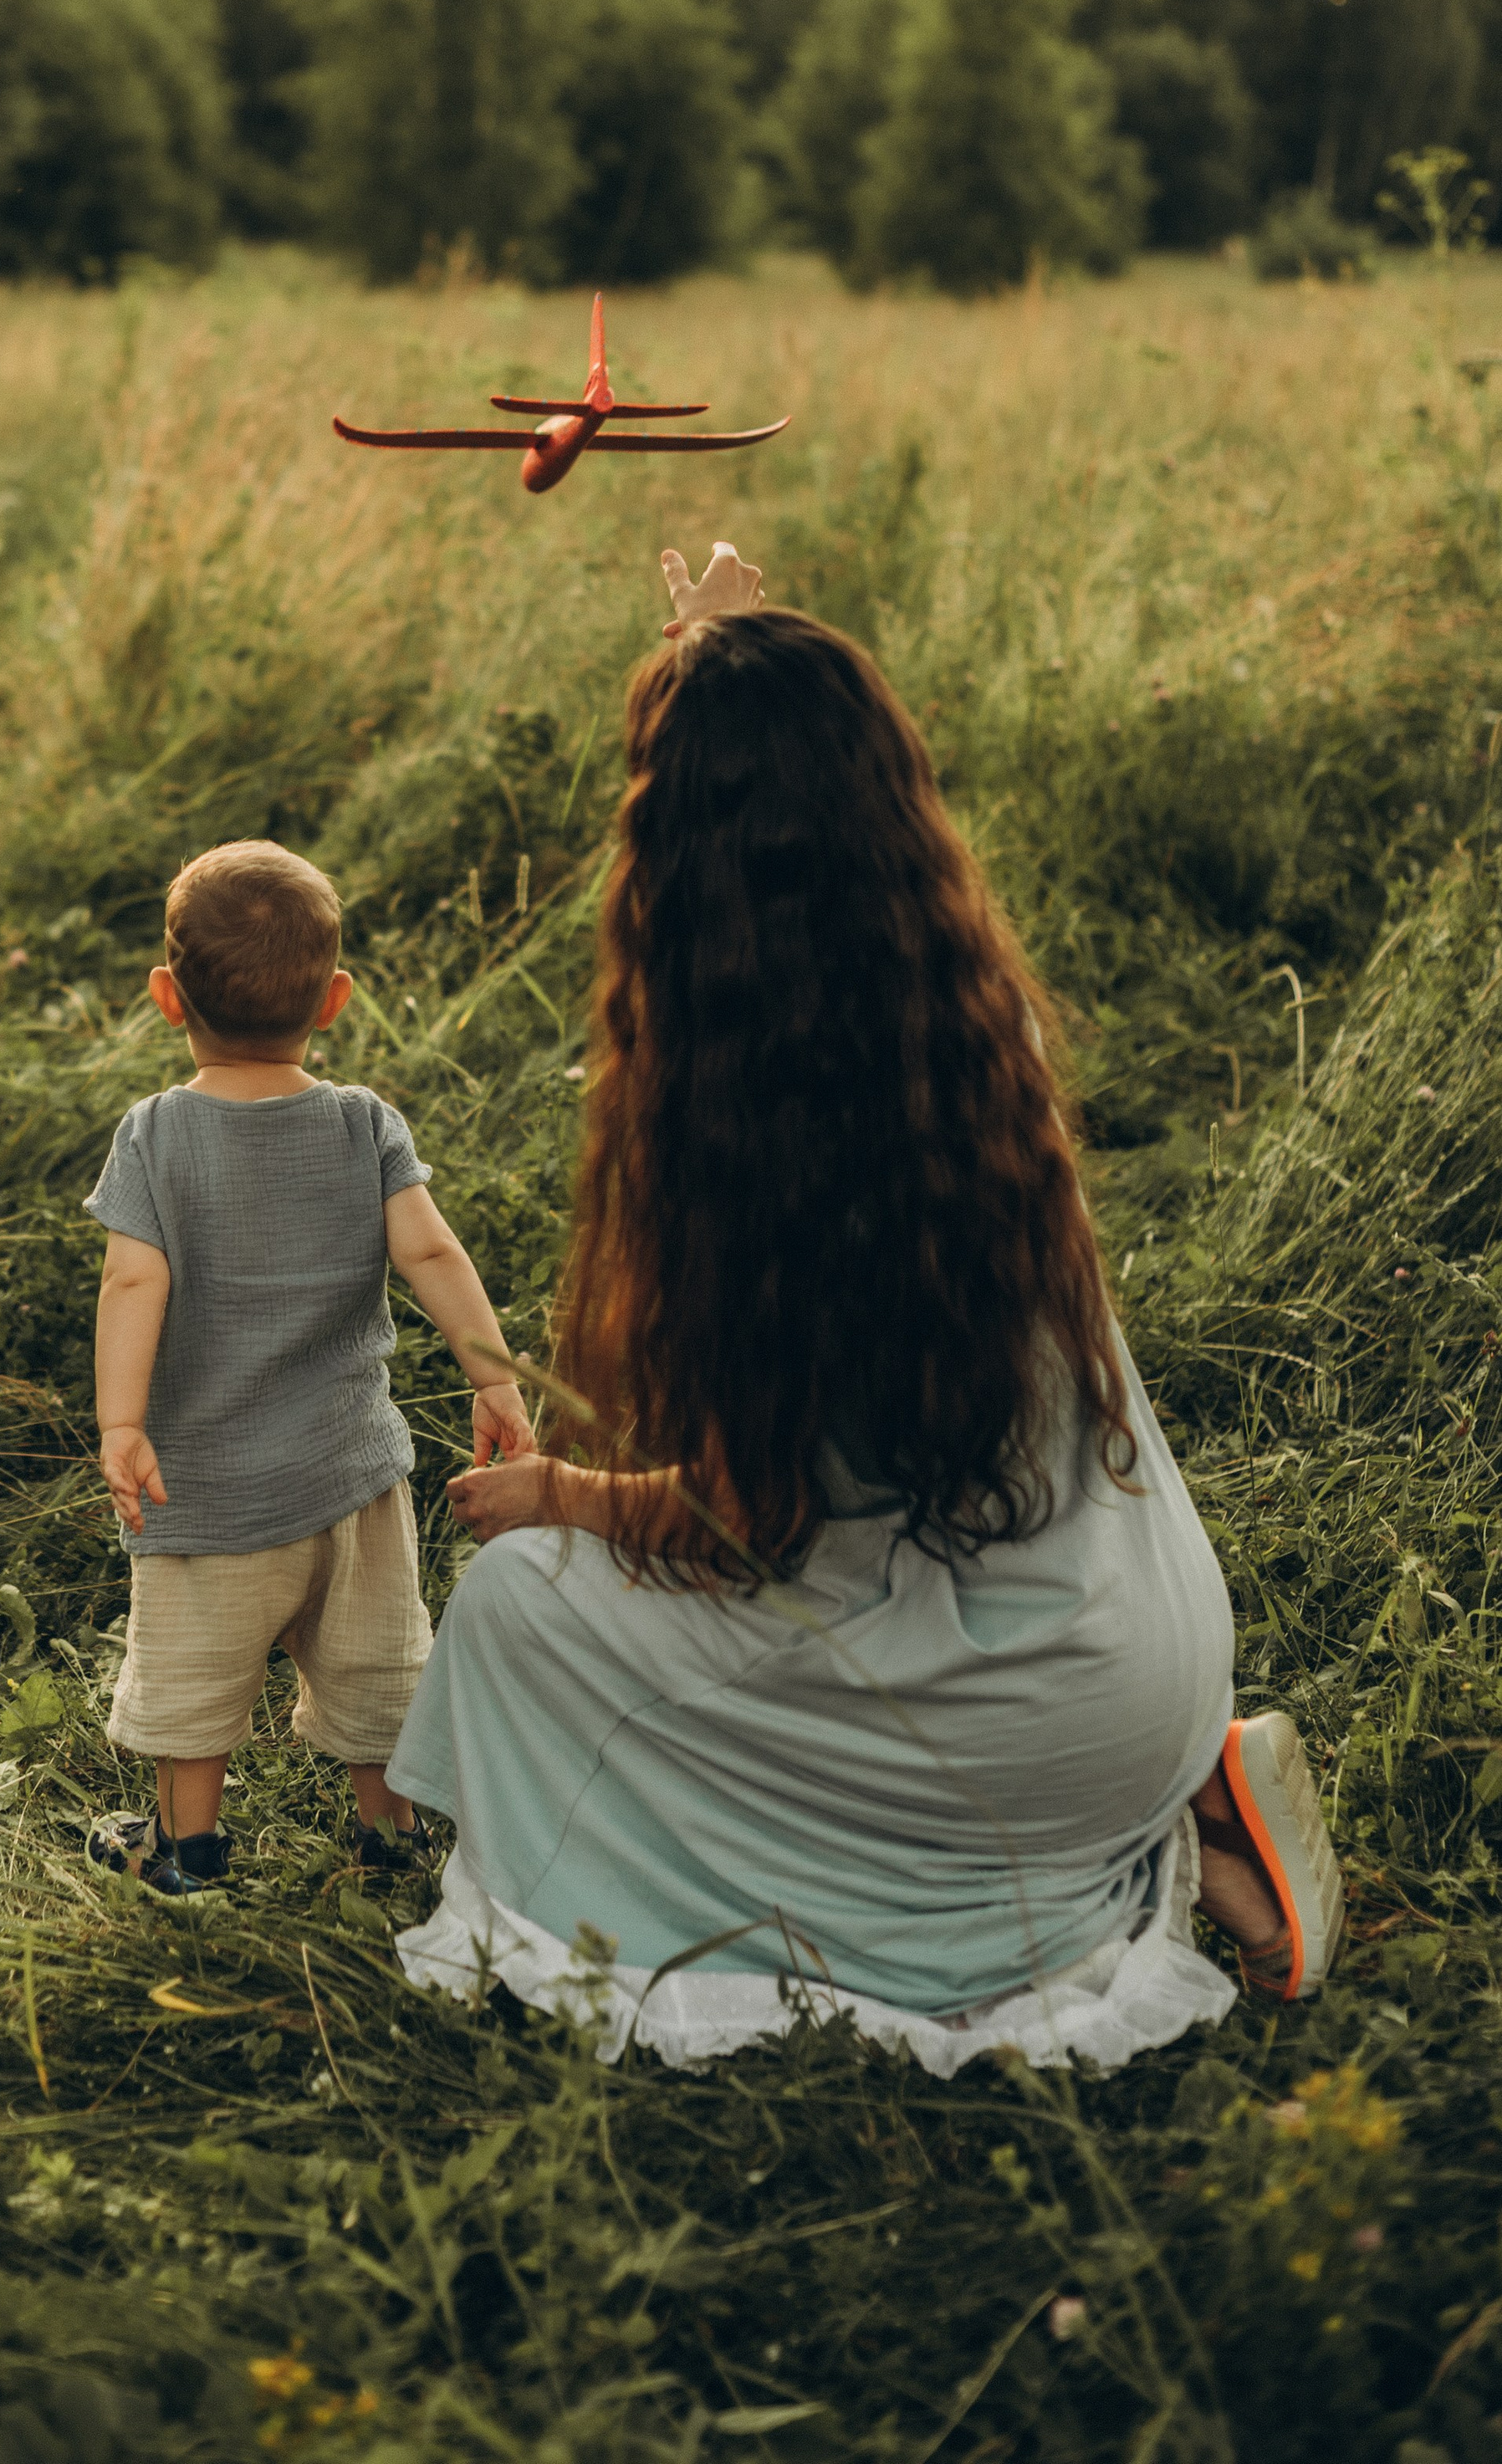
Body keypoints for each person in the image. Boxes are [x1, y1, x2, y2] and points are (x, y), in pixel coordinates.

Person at [389, 544, 1344, 2072]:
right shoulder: (981, 1033)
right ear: (894, 804)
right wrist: (735, 642)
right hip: (1143, 1650)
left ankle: (1034, 1889)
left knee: (515, 1614)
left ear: (668, 860)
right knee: (863, 1625)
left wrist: (562, 1494)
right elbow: (803, 785)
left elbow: (747, 1530)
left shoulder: (730, 1142)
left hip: (1005, 1731)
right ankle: (1171, 1831)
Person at [82, 838, 532, 1896]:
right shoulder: (362, 1122)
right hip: (350, 1479)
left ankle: (189, 1850)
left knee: (195, 1677)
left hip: (209, 1483)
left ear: (164, 997)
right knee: (375, 1665)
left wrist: (120, 1424)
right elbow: (431, 1250)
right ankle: (390, 1837)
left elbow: (131, 1288)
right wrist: (496, 1378)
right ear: (332, 1000)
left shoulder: (153, 1137)